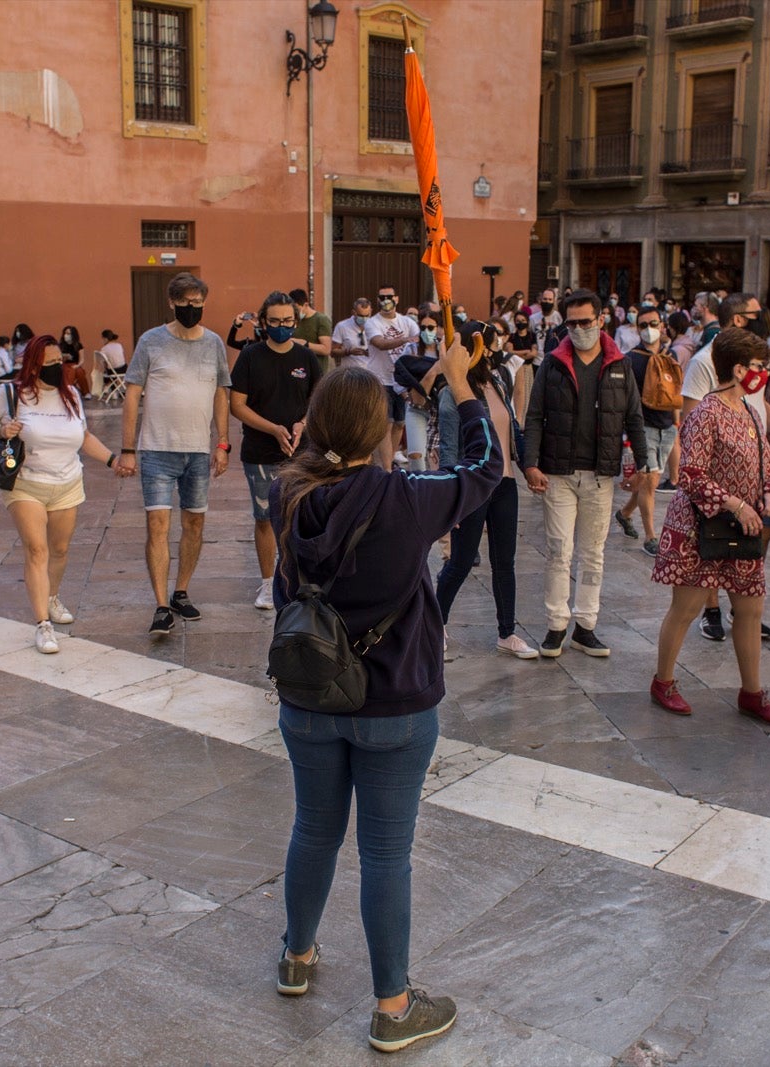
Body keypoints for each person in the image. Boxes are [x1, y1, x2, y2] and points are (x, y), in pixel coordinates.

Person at [270, 345, 498, 1054]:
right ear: (382, 430)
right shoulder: (407, 499)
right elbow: (486, 467)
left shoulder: (289, 494)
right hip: (395, 703)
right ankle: (393, 1006)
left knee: (313, 828)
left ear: (312, 424)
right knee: (385, 854)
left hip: (309, 692)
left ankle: (297, 957)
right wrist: (461, 387)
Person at [649, 328, 770, 726]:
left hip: (743, 528)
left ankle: (752, 693)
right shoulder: (705, 413)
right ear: (739, 369)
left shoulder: (748, 411)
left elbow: (765, 465)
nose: (764, 373)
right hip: (700, 527)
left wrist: (769, 493)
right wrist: (735, 503)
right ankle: (664, 681)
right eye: (759, 366)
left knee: (750, 608)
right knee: (687, 607)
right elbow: (689, 474)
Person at [0, 336, 121, 654]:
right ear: (34, 365)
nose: (58, 368)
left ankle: (52, 598)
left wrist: (112, 459)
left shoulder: (73, 396)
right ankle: (43, 625)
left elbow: (84, 436)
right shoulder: (12, 393)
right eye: (50, 363)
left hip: (68, 483)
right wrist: (0, 430)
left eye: (60, 362)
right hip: (26, 484)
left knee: (60, 549)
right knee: (37, 551)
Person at [523, 289, 648, 658]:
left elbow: (634, 419)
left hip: (599, 475)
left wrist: (643, 466)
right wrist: (530, 463)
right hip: (558, 474)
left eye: (585, 322)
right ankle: (556, 625)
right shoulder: (553, 363)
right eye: (572, 323)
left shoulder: (620, 365)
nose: (579, 329)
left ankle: (586, 626)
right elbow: (534, 416)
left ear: (601, 319)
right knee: (560, 551)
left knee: (593, 553)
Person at [115, 272, 232, 636]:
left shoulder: (213, 342)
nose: (191, 309)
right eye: (185, 304)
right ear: (171, 302)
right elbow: (132, 393)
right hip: (156, 451)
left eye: (198, 304)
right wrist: (128, 448)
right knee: (158, 526)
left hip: (198, 451)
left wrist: (223, 443)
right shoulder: (151, 341)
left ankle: (181, 591)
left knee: (195, 523)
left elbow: (221, 393)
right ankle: (161, 605)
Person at [680, 294, 770, 643]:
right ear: (741, 319)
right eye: (758, 315)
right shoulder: (704, 367)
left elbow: (762, 413)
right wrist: (730, 498)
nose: (766, 321)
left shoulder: (750, 391)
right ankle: (712, 611)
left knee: (755, 550)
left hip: (752, 484)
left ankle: (740, 618)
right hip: (719, 493)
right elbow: (692, 427)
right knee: (711, 557)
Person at [435, 321, 537, 659]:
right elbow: (450, 448)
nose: (497, 350)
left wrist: (528, 468)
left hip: (505, 484)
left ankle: (506, 633)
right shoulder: (454, 390)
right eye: (492, 344)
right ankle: (434, 625)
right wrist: (452, 499)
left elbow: (512, 430)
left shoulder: (497, 381)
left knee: (503, 561)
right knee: (461, 562)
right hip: (474, 486)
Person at [229, 291, 322, 611]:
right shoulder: (250, 357)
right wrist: (272, 428)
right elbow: (237, 406)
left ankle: (297, 579)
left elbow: (316, 400)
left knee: (302, 516)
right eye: (275, 322)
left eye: (288, 321)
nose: (282, 327)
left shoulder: (306, 358)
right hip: (260, 451)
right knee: (265, 518)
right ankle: (269, 582)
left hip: (301, 452)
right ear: (263, 321)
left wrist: (302, 424)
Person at [617, 311, 676, 555]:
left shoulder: (670, 356)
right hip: (643, 428)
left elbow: (675, 391)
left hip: (667, 427)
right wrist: (627, 435)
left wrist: (676, 423)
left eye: (653, 323)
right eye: (643, 325)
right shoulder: (631, 359)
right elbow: (625, 398)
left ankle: (624, 513)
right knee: (650, 483)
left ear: (662, 325)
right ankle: (651, 537)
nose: (648, 328)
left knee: (647, 482)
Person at [363, 284, 418, 469]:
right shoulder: (373, 322)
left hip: (401, 380)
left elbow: (418, 342)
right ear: (377, 300)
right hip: (380, 380)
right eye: (382, 297)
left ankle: (391, 460)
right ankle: (386, 468)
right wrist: (403, 340)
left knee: (400, 424)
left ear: (397, 298)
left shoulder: (407, 322)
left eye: (389, 296)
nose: (386, 300)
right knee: (386, 424)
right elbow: (379, 343)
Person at [395, 312, 443, 472]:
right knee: (415, 455)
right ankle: (418, 487)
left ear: (438, 328)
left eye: (431, 327)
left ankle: (437, 487)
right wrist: (406, 395)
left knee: (437, 455)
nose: (426, 331)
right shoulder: (412, 349)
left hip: (439, 409)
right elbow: (398, 374)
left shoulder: (443, 349)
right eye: (423, 327)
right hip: (417, 408)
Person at [290, 288, 333, 372]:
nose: (295, 313)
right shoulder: (292, 320)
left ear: (305, 305)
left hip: (316, 370)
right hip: (296, 370)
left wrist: (305, 344)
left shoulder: (321, 320)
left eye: (297, 309)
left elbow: (326, 349)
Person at [330, 297, 371, 369]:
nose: (364, 318)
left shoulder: (375, 326)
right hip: (350, 373)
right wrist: (348, 352)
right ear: (353, 312)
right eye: (361, 316)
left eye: (367, 315)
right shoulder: (342, 326)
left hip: (371, 372)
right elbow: (333, 352)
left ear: (370, 311)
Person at [58, 325, 93, 397]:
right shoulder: (61, 345)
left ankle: (86, 392)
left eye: (68, 334)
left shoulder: (78, 345)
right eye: (65, 333)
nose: (66, 335)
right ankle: (68, 391)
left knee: (79, 371)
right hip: (64, 365)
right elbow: (58, 358)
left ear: (73, 335)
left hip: (75, 364)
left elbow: (82, 359)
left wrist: (77, 365)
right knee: (72, 371)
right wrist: (64, 357)